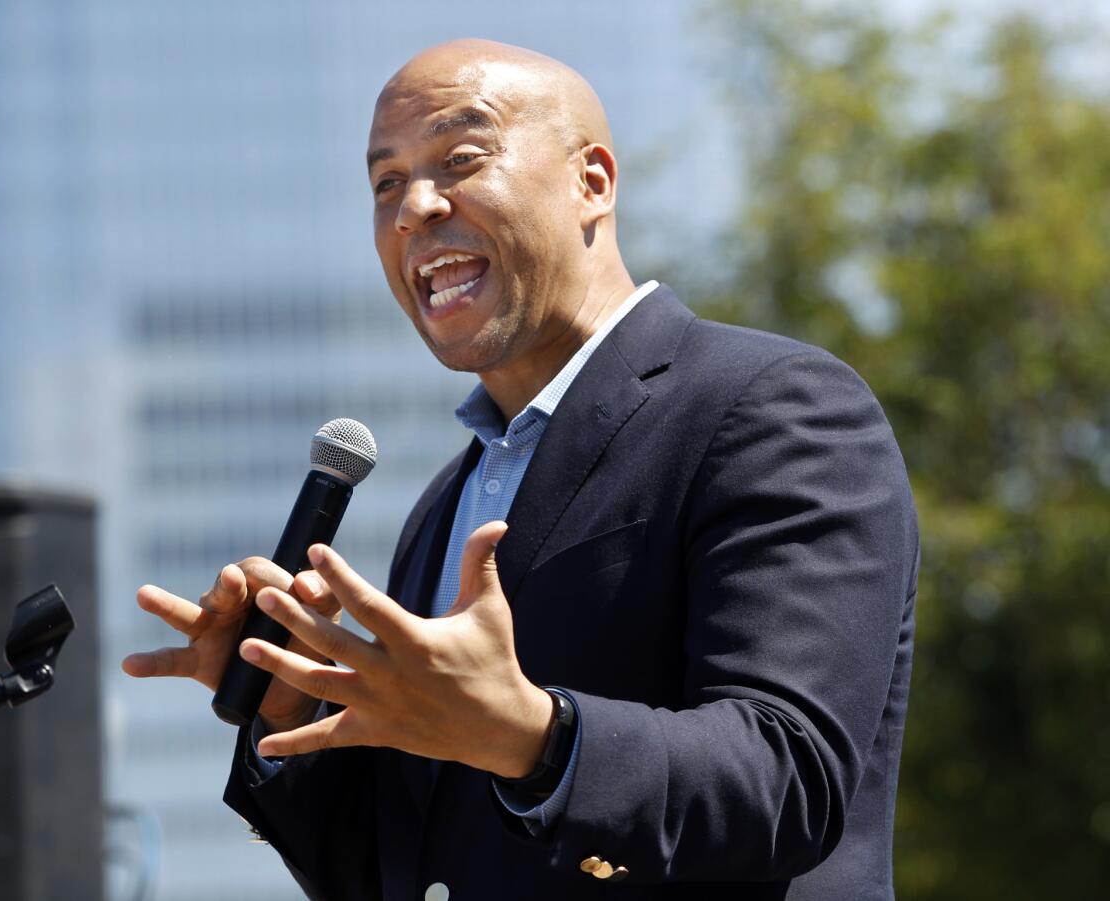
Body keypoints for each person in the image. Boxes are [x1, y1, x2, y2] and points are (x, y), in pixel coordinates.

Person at [122, 39, 918, 901]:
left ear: (594, 182)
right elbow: (410, 869)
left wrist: (533, 735)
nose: (413, 208)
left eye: (460, 158)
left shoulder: (771, 406)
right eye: (384, 182)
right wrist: (294, 706)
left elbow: (787, 778)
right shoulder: (443, 506)